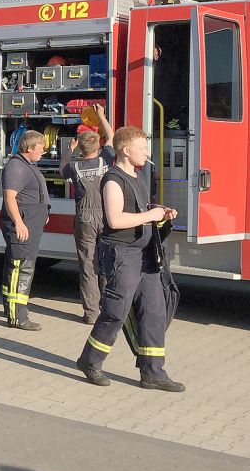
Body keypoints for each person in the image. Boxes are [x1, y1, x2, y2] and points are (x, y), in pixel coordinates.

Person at [76, 125, 185, 392]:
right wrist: (150, 217)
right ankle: (90, 361)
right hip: (122, 256)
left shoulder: (137, 176)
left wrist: (158, 211)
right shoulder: (113, 179)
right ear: (127, 150)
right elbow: (115, 219)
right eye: (143, 148)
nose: (148, 153)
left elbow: (137, 209)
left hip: (145, 255)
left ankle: (153, 372)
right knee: (116, 312)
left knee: (155, 310)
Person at [60, 104, 115, 324]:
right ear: (98, 145)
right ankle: (109, 308)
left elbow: (62, 167)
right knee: (106, 263)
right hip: (106, 216)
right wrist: (101, 116)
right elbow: (111, 135)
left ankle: (92, 314)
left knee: (87, 265)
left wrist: (70, 149)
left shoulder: (75, 167)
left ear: (81, 149)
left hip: (85, 219)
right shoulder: (106, 160)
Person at [0, 130, 49, 330]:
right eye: (41, 148)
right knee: (21, 268)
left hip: (30, 222)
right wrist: (19, 223)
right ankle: (17, 316)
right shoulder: (16, 167)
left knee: (18, 265)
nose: (43, 152)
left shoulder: (26, 164)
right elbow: (10, 197)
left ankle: (12, 308)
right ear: (29, 148)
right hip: (23, 225)